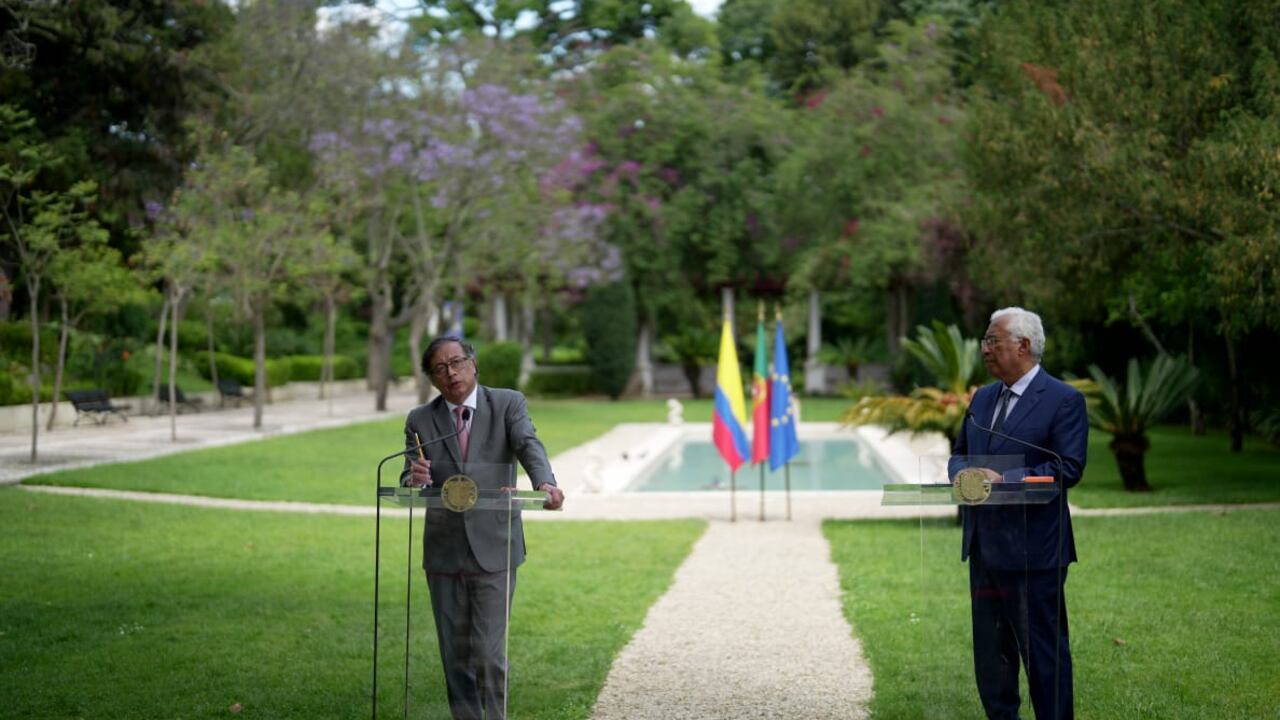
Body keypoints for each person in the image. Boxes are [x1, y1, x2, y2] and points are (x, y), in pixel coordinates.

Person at [400, 336, 565, 720]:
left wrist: (544, 482)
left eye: (456, 362)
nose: (451, 373)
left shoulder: (507, 403)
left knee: (489, 654)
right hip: (444, 550)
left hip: (495, 546)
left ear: (473, 363)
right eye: (440, 369)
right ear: (432, 378)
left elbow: (527, 444)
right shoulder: (420, 420)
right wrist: (415, 475)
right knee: (456, 657)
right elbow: (412, 473)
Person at [951, 307, 1087, 720]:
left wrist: (1004, 479)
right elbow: (959, 453)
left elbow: (1067, 468)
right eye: (986, 341)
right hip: (984, 550)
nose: (985, 349)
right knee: (992, 662)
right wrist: (963, 475)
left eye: (993, 341)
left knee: (1043, 658)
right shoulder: (984, 396)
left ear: (1023, 346)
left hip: (1034, 554)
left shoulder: (1063, 400)